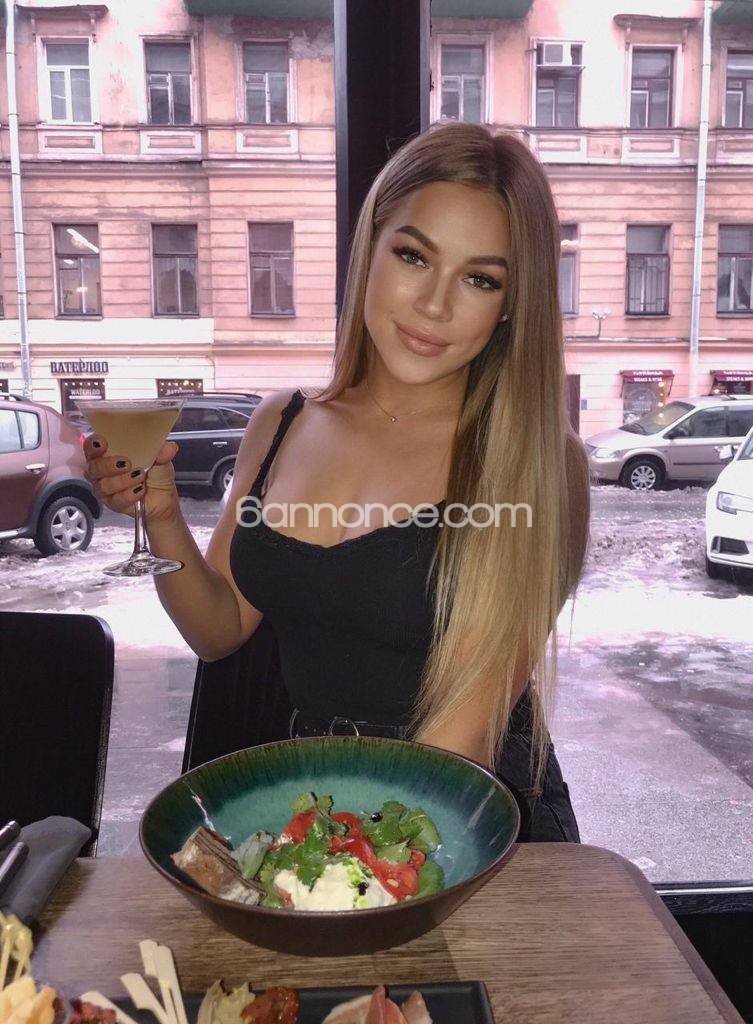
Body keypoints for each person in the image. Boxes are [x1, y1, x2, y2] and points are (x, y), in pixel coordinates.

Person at [84, 121, 590, 842]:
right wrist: (160, 514)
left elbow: (462, 742)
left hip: (462, 829)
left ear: (511, 304)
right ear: (370, 250)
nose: (435, 304)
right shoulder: (281, 422)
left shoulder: (532, 461)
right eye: (414, 256)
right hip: (320, 809)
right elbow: (217, 630)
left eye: (480, 279)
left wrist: (311, 869)